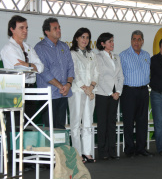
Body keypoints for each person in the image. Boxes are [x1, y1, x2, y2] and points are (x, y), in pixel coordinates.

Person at [1, 15, 44, 171]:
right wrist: (30, 66)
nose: (25, 31)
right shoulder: (8, 48)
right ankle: (13, 162)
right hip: (14, 89)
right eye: (21, 27)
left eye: (26, 28)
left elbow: (40, 67)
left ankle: (25, 159)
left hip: (30, 88)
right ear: (12, 29)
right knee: (14, 127)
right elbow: (20, 69)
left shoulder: (28, 47)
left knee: (27, 126)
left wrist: (28, 65)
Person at [35, 17, 75, 129]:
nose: (58, 30)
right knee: (49, 128)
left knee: (60, 127)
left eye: (59, 27)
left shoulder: (64, 46)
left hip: (63, 93)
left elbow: (71, 67)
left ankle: (60, 147)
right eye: (55, 28)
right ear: (47, 32)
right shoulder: (40, 48)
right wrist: (60, 86)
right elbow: (43, 71)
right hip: (49, 94)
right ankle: (50, 147)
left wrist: (68, 84)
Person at [119, 30, 153, 158]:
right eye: (134, 39)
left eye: (139, 39)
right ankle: (129, 149)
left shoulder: (146, 55)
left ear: (142, 41)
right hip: (129, 91)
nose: (136, 42)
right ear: (131, 40)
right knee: (128, 122)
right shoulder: (123, 55)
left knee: (142, 121)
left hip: (144, 91)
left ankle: (141, 148)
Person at [68, 27, 99, 163]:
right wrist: (85, 88)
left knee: (87, 123)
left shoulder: (92, 54)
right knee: (75, 124)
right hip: (77, 91)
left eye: (87, 37)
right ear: (76, 38)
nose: (85, 40)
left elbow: (96, 72)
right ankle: (77, 153)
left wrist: (91, 87)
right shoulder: (72, 53)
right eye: (82, 37)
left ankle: (87, 152)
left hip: (90, 92)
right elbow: (74, 72)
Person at [95, 32, 124, 160]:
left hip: (115, 93)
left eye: (112, 41)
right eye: (109, 41)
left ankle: (112, 150)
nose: (112, 43)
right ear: (102, 43)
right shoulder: (98, 57)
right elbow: (99, 77)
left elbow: (120, 76)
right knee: (102, 123)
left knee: (112, 123)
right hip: (103, 93)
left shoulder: (117, 57)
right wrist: (110, 92)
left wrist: (118, 91)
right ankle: (102, 151)